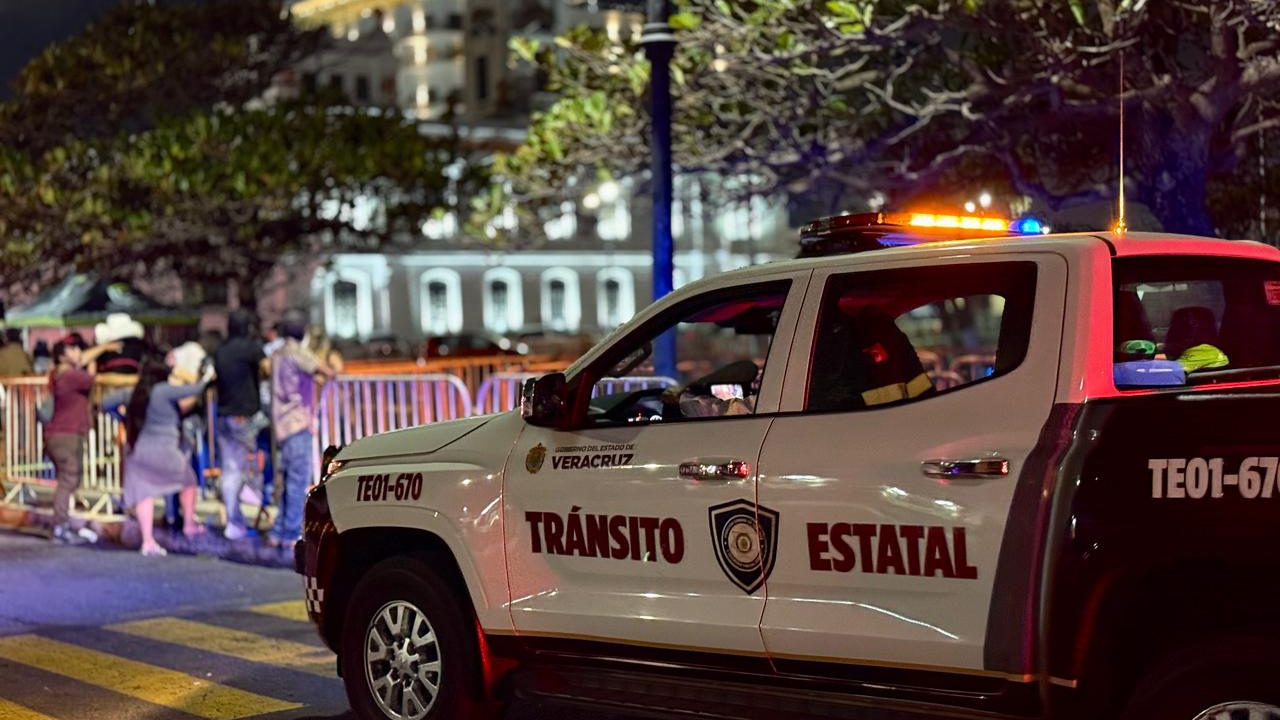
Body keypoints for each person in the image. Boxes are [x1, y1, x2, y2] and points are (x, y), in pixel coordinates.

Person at [121, 356, 215, 556]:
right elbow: (195, 390)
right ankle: (189, 524)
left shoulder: (136, 393)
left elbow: (105, 403)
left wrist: (121, 415)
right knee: (189, 481)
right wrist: (207, 377)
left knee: (145, 493)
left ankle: (148, 541)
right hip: (165, 448)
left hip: (141, 449)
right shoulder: (163, 391)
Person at [267, 310, 335, 550]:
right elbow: (327, 370)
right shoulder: (297, 352)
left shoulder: (277, 353)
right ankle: (290, 533)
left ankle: (277, 531)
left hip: (281, 424)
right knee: (298, 482)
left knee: (287, 481)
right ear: (303, 331)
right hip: (297, 423)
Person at [45, 337, 117, 544]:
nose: (78, 352)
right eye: (72, 349)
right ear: (62, 356)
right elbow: (93, 379)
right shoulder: (71, 376)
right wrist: (95, 360)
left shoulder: (59, 373)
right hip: (66, 434)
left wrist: (102, 347)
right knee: (69, 479)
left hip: (61, 434)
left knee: (68, 479)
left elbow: (82, 360)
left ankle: (62, 524)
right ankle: (59, 527)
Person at [214, 309, 268, 540]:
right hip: (245, 416)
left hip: (223, 415)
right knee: (249, 464)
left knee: (230, 469)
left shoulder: (221, 350)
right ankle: (256, 493)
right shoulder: (251, 348)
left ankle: (234, 522)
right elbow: (268, 369)